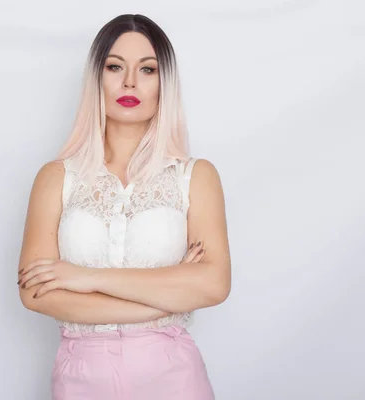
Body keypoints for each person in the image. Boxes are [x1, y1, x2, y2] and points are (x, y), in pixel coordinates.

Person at [17, 13, 231, 400]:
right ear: (96, 77)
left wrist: (85, 277)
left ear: (165, 81)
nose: (130, 82)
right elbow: (36, 293)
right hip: (81, 379)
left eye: (147, 69)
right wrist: (164, 300)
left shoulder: (195, 177)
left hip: (173, 377)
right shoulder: (55, 177)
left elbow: (214, 285)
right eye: (115, 66)